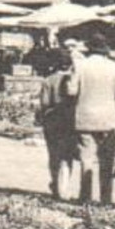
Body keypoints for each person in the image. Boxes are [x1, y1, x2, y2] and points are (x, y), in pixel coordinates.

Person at [67, 33, 115, 206]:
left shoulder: (81, 66)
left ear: (89, 49)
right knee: (106, 161)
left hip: (85, 118)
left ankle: (85, 197)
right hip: (108, 119)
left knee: (87, 159)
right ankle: (106, 199)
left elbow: (71, 91)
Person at [37, 43, 79, 199]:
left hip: (52, 121)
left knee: (54, 154)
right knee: (67, 155)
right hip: (69, 120)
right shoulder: (73, 80)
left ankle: (55, 183)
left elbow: (45, 103)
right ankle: (64, 187)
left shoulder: (48, 81)